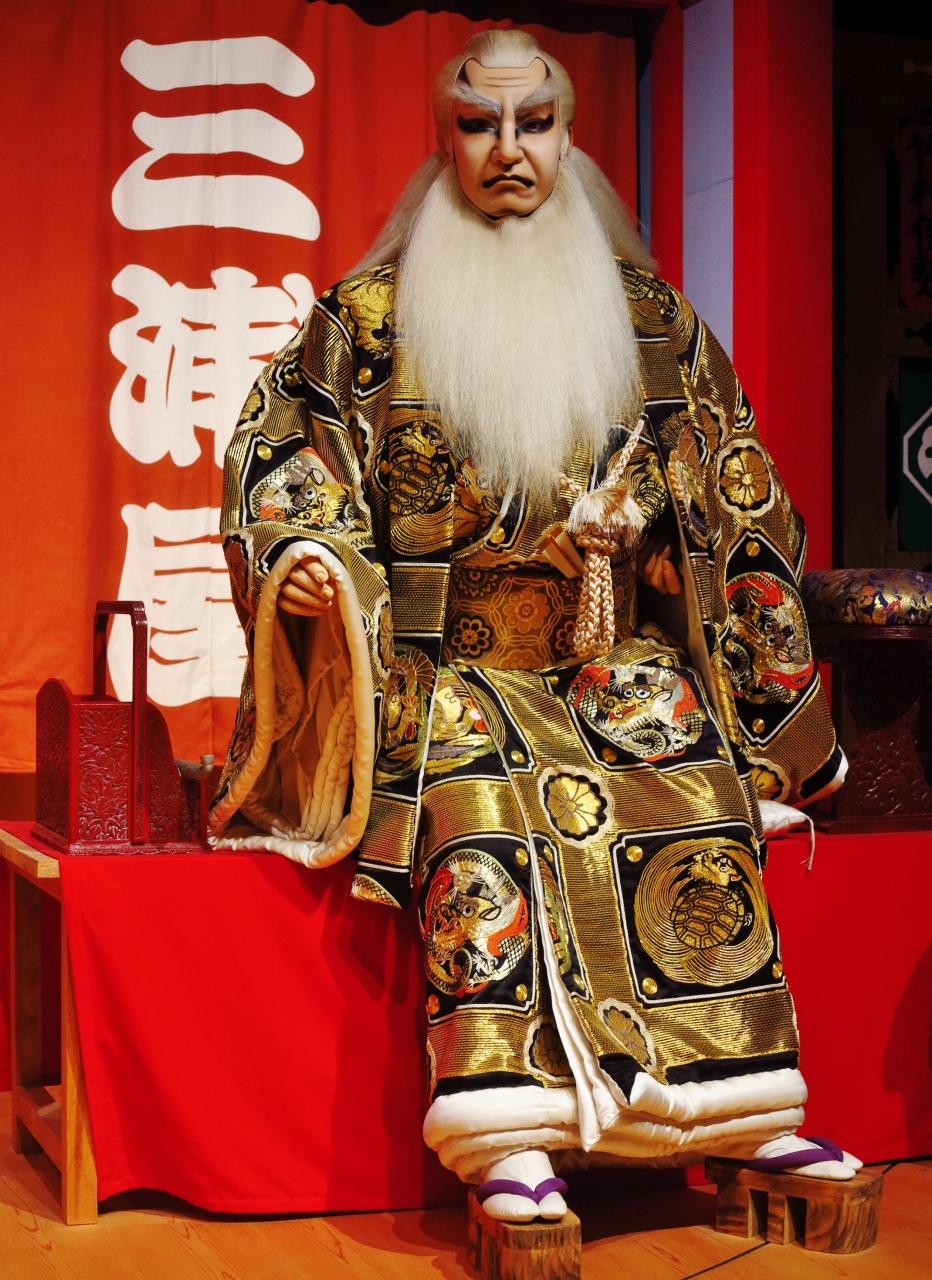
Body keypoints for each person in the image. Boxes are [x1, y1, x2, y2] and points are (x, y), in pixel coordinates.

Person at [209, 29, 858, 1224]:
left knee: (680, 756)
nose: (507, 150)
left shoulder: (648, 320)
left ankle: (737, 1102)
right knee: (476, 799)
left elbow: (735, 483)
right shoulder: (366, 319)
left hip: (603, 652)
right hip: (442, 663)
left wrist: (651, 523)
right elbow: (285, 459)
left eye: (533, 123)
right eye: (477, 125)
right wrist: (306, 555)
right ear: (444, 138)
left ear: (566, 133)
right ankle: (504, 1122)